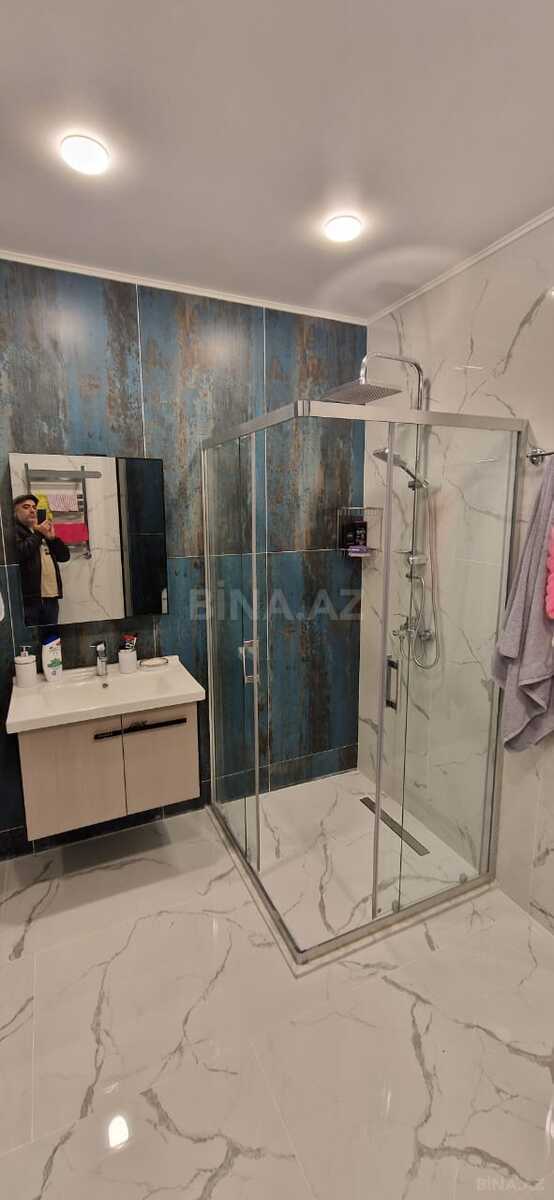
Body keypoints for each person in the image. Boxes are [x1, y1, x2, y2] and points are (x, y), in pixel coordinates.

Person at [13, 493, 70, 626]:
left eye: (34, 507)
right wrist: (39, 534)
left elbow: (64, 557)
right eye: (26, 507)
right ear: (15, 512)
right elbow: (19, 553)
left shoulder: (40, 532)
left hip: (51, 598)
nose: (32, 510)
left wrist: (52, 539)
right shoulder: (12, 532)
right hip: (29, 601)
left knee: (51, 638)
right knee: (31, 638)